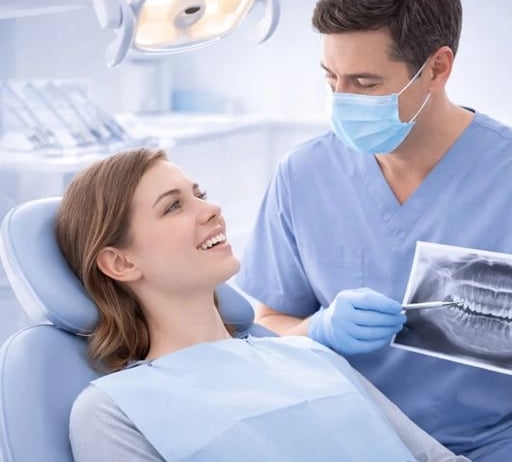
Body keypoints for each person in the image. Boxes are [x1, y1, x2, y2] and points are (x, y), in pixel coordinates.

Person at [235, 0, 512, 460]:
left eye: (365, 83)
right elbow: (268, 326)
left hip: (497, 443)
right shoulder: (304, 174)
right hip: (345, 436)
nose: (341, 100)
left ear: (437, 68)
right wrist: (314, 330)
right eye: (330, 78)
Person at [57, 148, 470, 462]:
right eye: (174, 206)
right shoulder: (113, 409)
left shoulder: (308, 354)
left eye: (199, 194)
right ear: (120, 261)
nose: (212, 209)